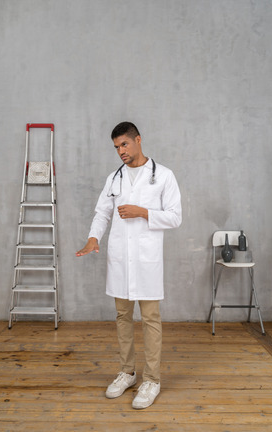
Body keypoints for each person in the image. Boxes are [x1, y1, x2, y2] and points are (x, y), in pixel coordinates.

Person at [76, 121, 182, 409]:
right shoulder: (114, 179)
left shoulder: (163, 176)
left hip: (147, 260)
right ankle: (127, 372)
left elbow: (175, 217)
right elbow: (102, 212)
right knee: (123, 316)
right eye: (116, 147)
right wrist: (93, 238)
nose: (120, 151)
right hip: (121, 258)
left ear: (138, 140)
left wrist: (143, 212)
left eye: (124, 144)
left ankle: (153, 379)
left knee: (150, 319)